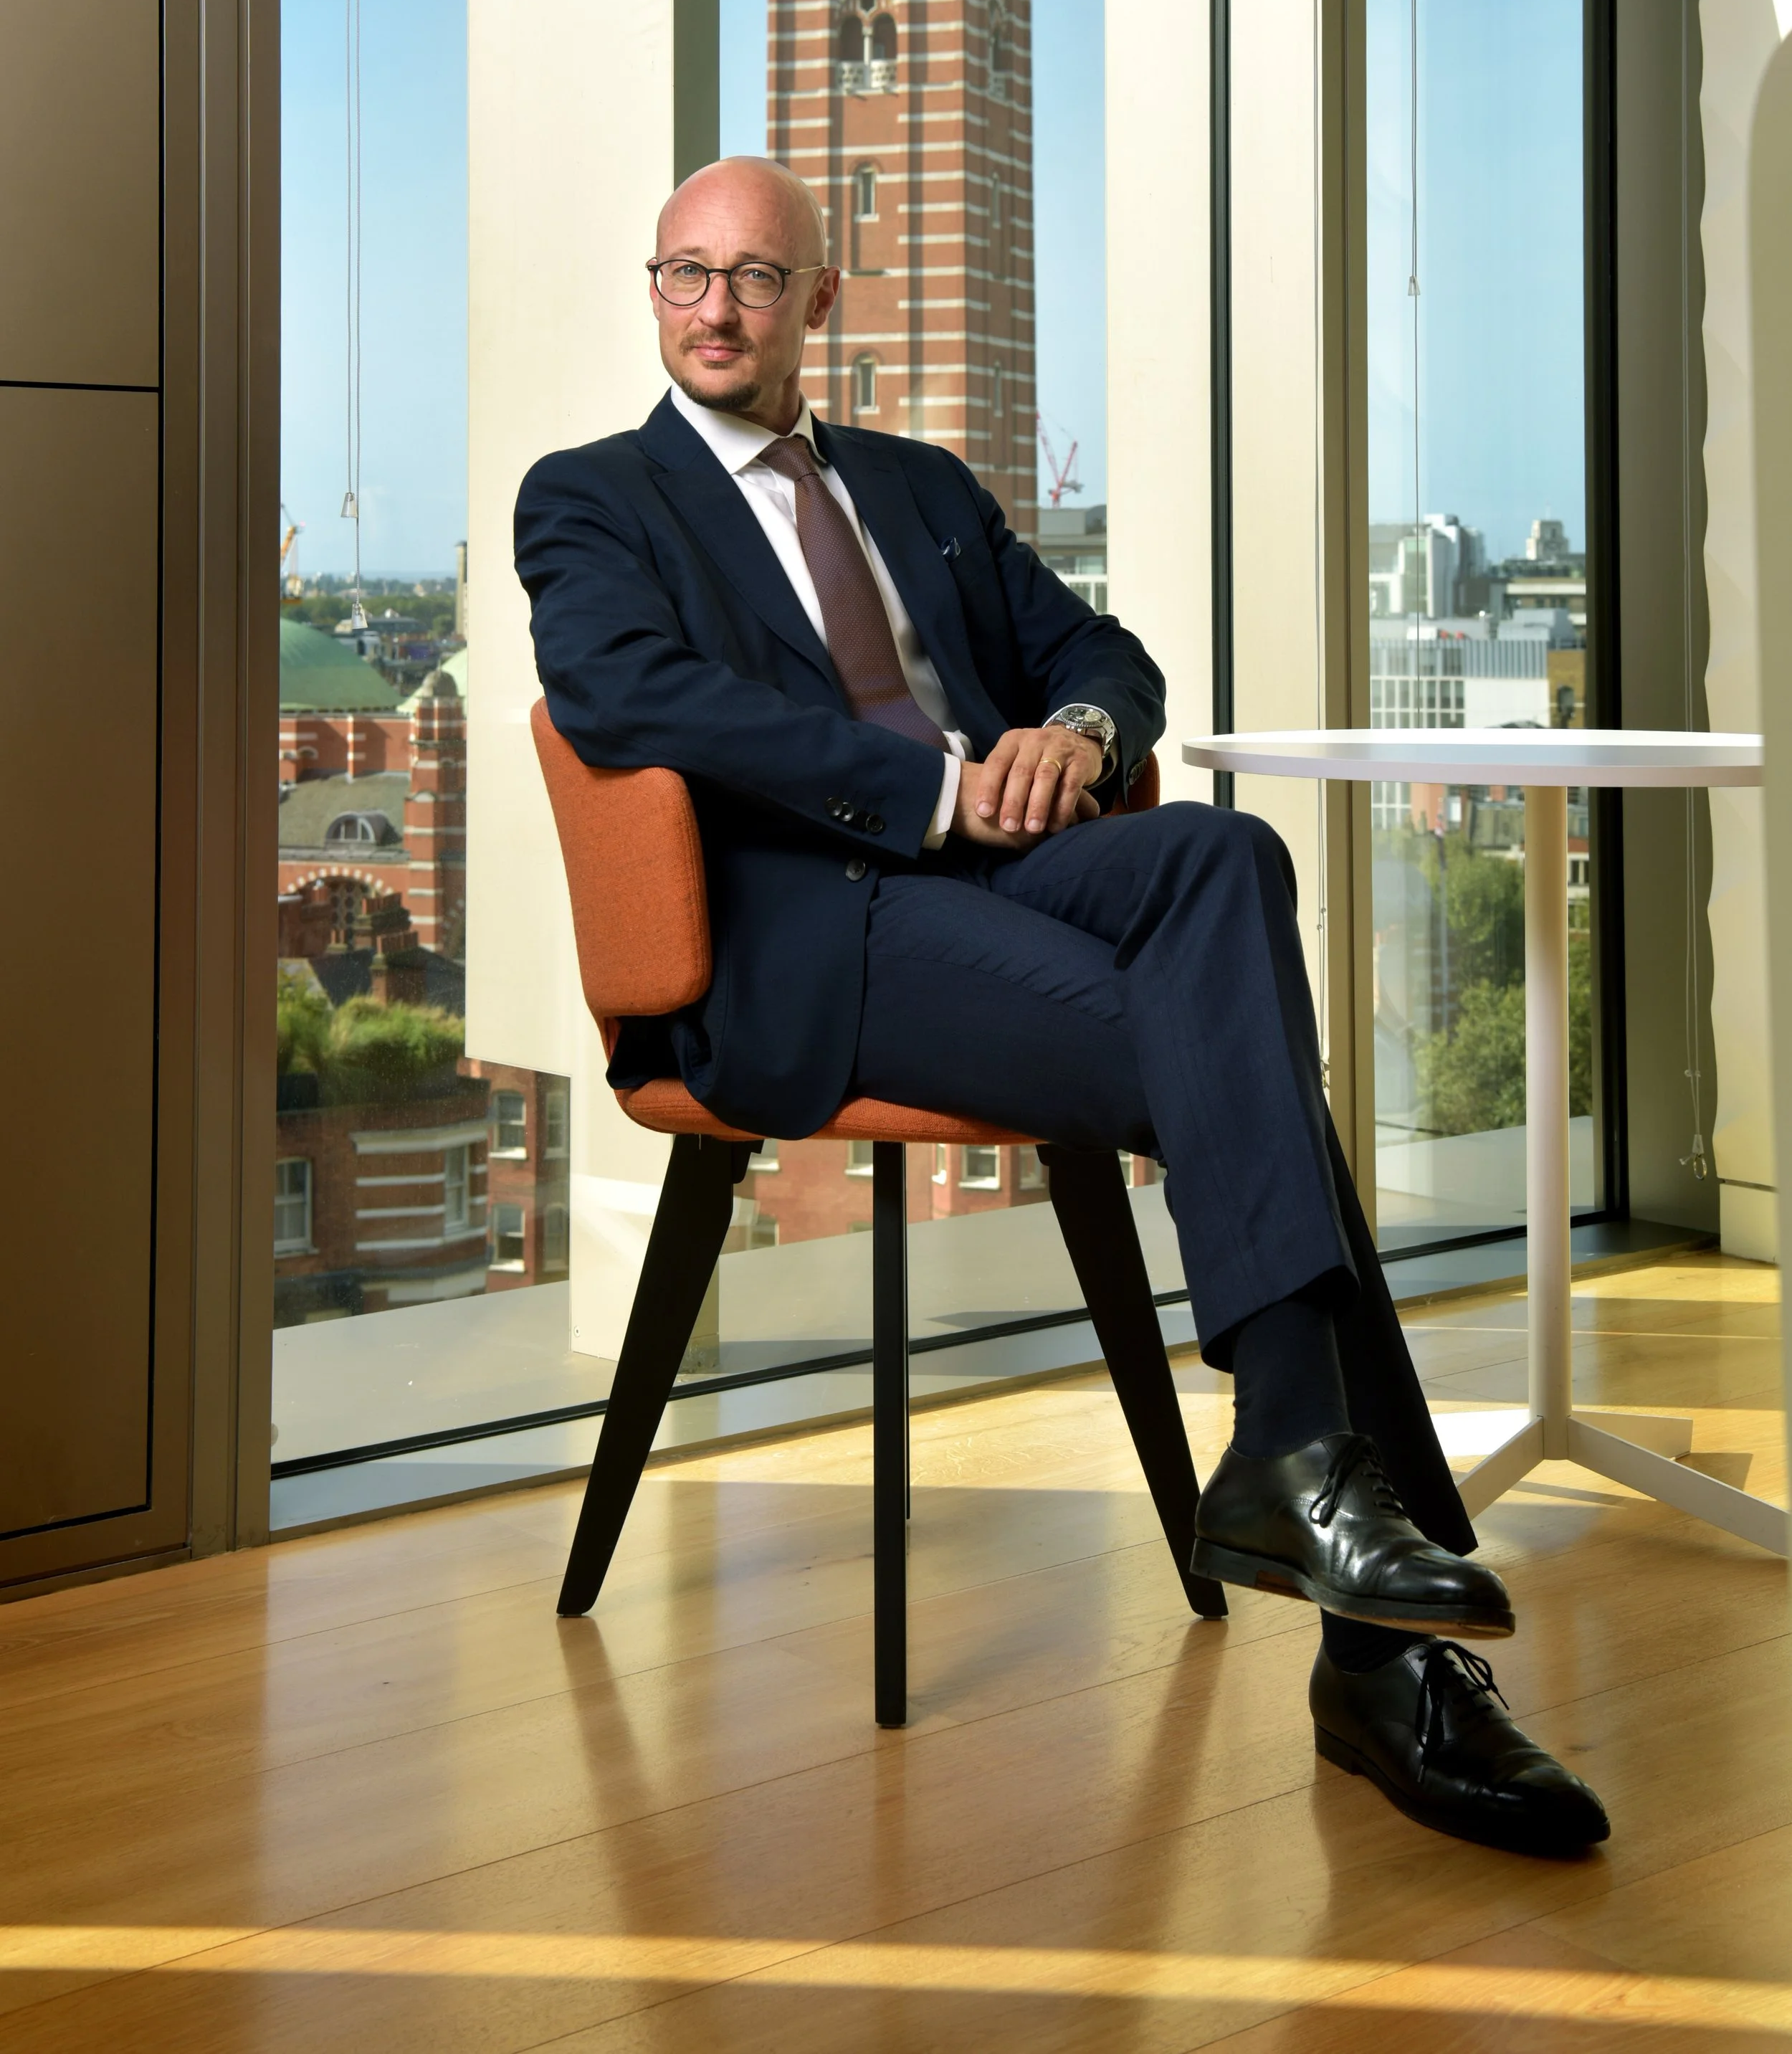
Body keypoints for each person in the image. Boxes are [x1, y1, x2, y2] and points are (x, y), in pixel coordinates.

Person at [516, 155, 1609, 1858]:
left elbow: (1100, 653)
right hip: (818, 928)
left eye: (749, 278)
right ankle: (1378, 1647)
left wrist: (1078, 742)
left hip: (1008, 870)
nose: (712, 310)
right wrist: (944, 792)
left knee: (1218, 859)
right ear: (651, 290)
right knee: (1247, 1078)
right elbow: (626, 691)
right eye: (681, 274)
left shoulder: (918, 482)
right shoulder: (591, 498)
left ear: (819, 300)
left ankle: (1304, 1478)